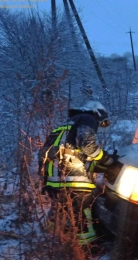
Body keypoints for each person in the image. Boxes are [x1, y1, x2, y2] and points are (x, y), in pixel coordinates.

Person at [38, 100, 116, 247]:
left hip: (53, 178)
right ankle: (87, 249)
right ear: (98, 113)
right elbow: (86, 144)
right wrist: (106, 159)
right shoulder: (88, 118)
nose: (99, 126)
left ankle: (51, 243)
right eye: (101, 122)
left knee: (59, 210)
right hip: (71, 179)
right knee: (82, 211)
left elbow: (68, 155)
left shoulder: (67, 125)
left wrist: (96, 166)